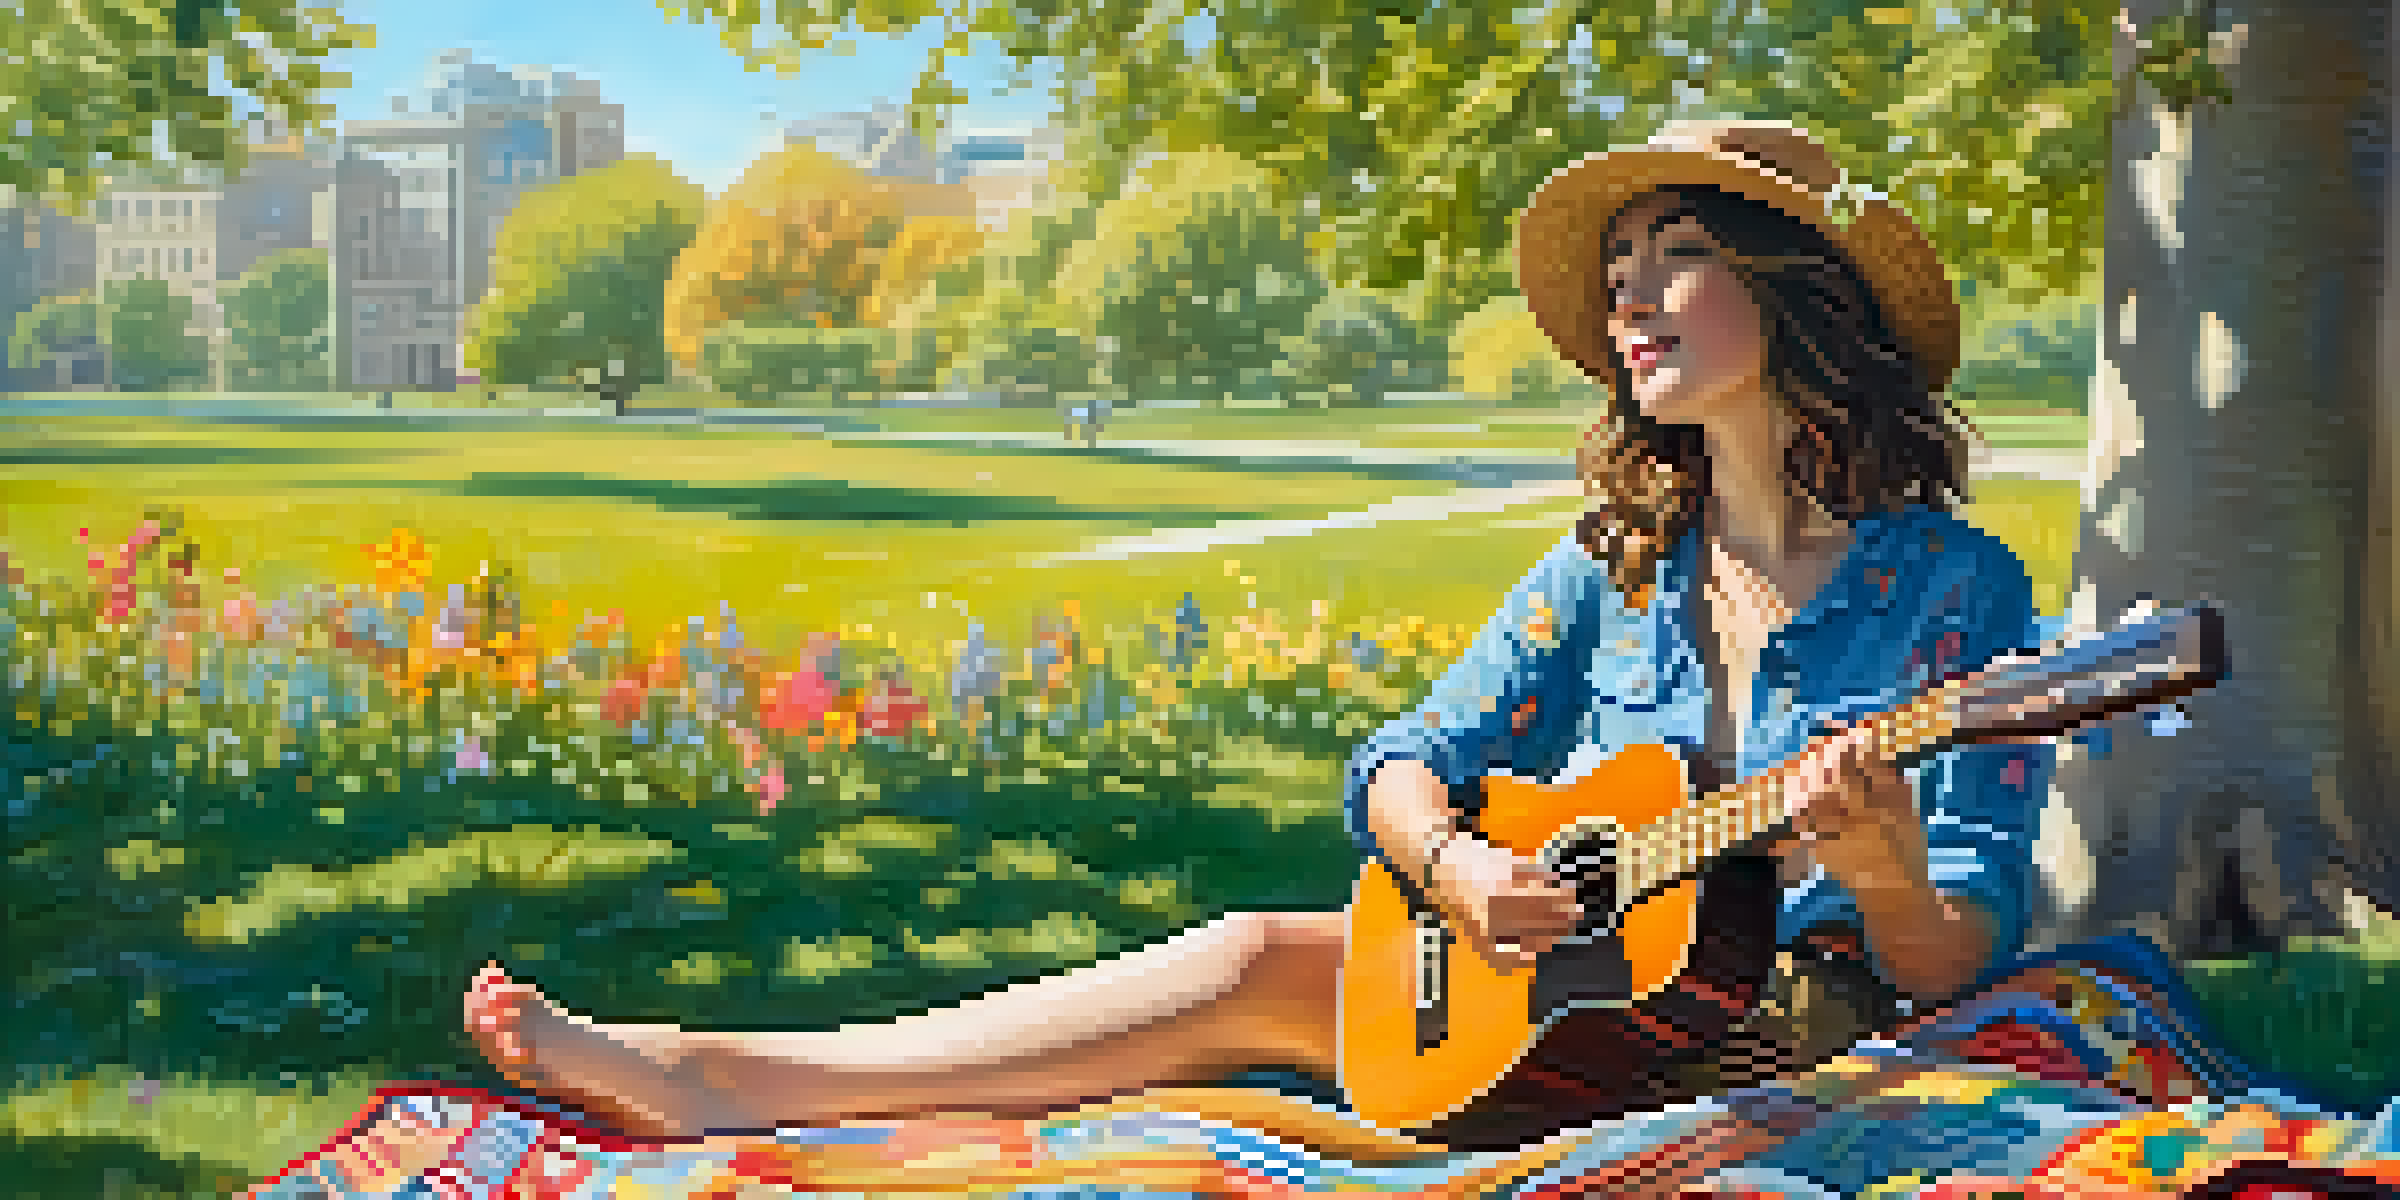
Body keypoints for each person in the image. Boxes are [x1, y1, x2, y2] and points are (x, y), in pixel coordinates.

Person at [462, 119, 2054, 1142]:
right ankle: (723, 1079)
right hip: (1570, 997)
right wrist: (1460, 869)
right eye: (1620, 274)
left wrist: (1889, 868)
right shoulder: (1610, 564)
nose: (1632, 304)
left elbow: (1952, 954)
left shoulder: (1957, 595)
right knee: (1245, 954)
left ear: (1793, 297)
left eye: (1681, 261)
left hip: (1787, 1044)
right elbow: (1404, 760)